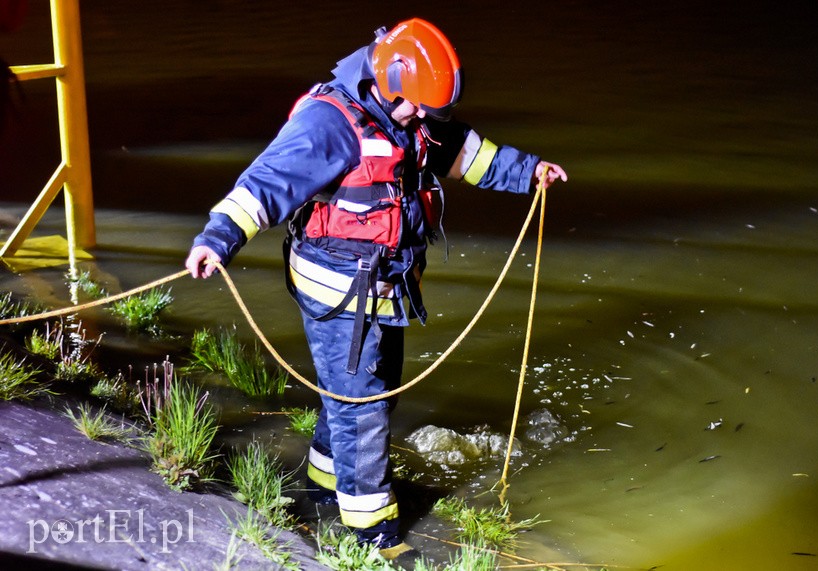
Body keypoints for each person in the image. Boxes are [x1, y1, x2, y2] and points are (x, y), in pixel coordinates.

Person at [185, 17, 567, 560]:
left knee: (360, 387)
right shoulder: (330, 124)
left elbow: (466, 154)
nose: (421, 119)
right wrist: (216, 239)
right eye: (416, 107)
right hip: (339, 290)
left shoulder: (407, 115)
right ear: (388, 79)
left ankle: (323, 481)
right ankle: (369, 532)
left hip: (383, 285)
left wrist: (528, 172)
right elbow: (265, 184)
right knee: (362, 403)